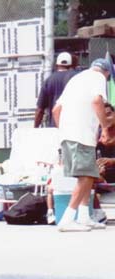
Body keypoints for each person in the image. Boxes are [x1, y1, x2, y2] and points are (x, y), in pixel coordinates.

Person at [52, 58, 112, 232]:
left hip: (70, 134)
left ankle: (84, 217)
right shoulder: (98, 78)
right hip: (81, 135)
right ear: (106, 72)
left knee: (89, 174)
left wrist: (64, 130)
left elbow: (56, 110)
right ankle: (68, 218)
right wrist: (105, 127)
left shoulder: (76, 79)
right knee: (85, 176)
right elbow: (96, 101)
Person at [34, 52, 76, 128]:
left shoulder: (49, 80)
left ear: (56, 65)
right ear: (71, 64)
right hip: (74, 125)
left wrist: (35, 127)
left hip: (55, 127)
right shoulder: (76, 77)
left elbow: (40, 110)